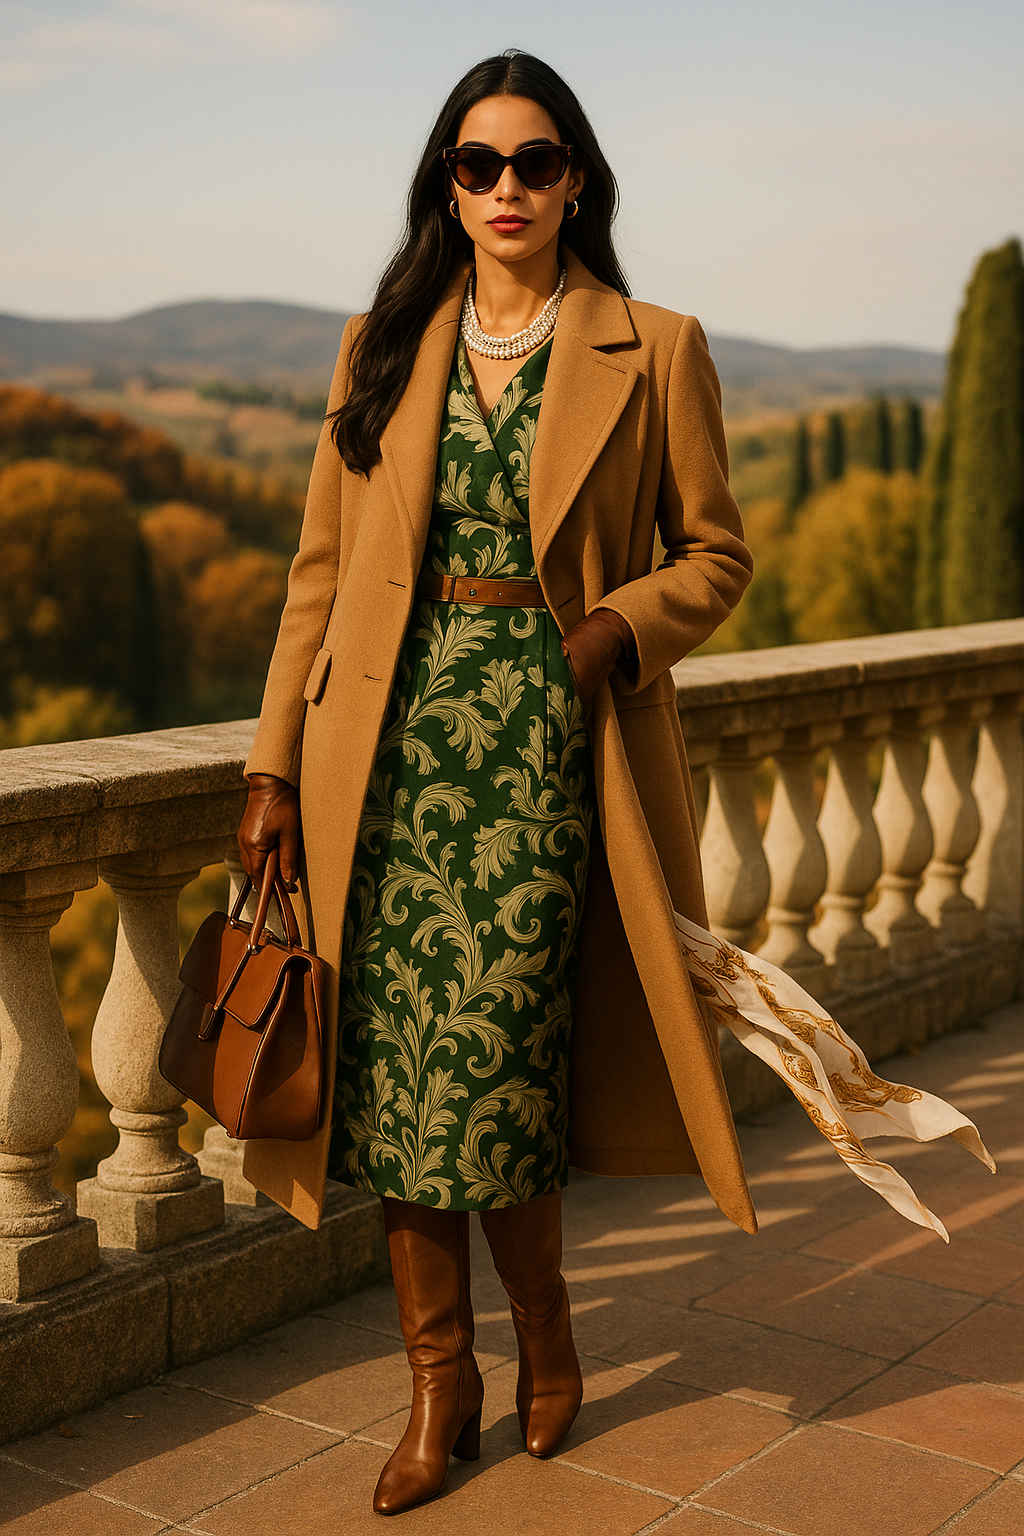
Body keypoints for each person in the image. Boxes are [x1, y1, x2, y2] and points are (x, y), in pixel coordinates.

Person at [237, 49, 754, 1516]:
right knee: (391, 1076)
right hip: (380, 758)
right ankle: (436, 1383)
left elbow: (716, 556)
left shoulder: (657, 344)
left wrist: (617, 629)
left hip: (542, 749)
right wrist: (272, 767)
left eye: (534, 162)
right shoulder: (382, 341)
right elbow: (317, 578)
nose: (508, 188)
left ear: (575, 176)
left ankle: (545, 1333)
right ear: (447, 187)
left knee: (498, 1061)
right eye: (479, 165)